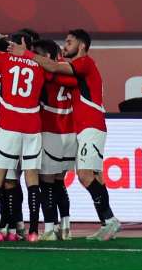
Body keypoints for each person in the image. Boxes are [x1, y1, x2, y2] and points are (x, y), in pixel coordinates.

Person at [8, 29, 121, 241]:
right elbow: (55, 75)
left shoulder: (85, 63)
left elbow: (52, 67)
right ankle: (107, 222)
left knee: (85, 175)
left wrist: (25, 54)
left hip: (90, 126)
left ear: (82, 46)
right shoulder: (77, 71)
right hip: (86, 128)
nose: (65, 45)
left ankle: (110, 219)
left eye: (69, 42)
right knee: (96, 177)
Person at [0, 33, 48, 242]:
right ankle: (33, 232)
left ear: (18, 43)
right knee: (32, 182)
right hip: (32, 126)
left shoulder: (4, 58)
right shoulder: (40, 63)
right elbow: (55, 67)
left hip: (9, 125)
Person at [32, 39, 76, 241]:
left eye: (37, 54)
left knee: (47, 183)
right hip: (70, 132)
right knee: (59, 182)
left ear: (47, 56)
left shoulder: (45, 73)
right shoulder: (70, 71)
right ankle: (65, 227)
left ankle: (49, 229)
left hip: (51, 130)